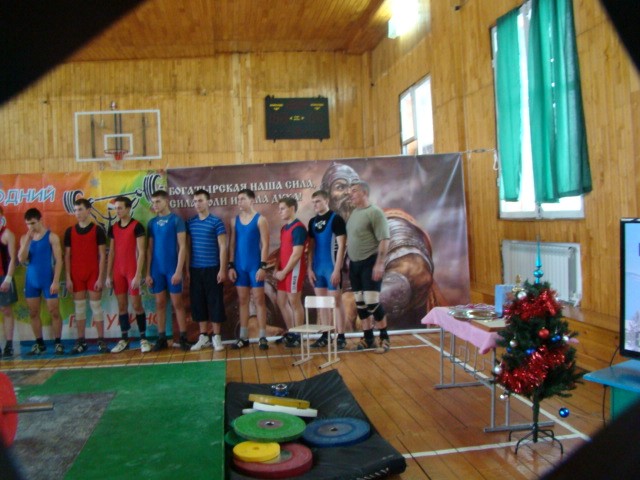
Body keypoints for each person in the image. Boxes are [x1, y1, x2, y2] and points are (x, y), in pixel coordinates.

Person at [346, 181, 391, 353]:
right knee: (360, 304)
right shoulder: (354, 213)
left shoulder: (375, 212)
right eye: (350, 191)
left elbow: (384, 239)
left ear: (364, 192)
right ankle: (368, 338)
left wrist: (379, 264)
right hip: (354, 265)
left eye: (354, 191)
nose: (350, 194)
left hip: (370, 262)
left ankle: (384, 338)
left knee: (372, 302)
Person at [145, 190, 190, 351]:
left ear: (166, 201)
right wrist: (148, 273)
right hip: (157, 269)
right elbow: (149, 249)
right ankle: (161, 338)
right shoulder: (151, 223)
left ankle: (183, 337)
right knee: (159, 303)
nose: (155, 205)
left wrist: (178, 271)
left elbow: (183, 247)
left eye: (158, 201)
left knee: (177, 303)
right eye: (153, 202)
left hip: (172, 268)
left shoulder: (176, 220)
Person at [105, 196, 150, 353]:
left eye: (120, 208)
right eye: (116, 208)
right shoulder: (113, 228)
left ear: (128, 208)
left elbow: (142, 252)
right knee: (122, 305)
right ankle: (124, 339)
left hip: (132, 271)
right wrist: (108, 275)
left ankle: (143, 338)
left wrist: (138, 275)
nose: (117, 211)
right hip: (118, 271)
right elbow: (111, 252)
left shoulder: (137, 226)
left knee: (137, 305)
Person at [64, 198, 108, 354]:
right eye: (75, 210)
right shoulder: (69, 231)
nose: (77, 213)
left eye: (80, 209)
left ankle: (101, 340)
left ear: (88, 210)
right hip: (76, 274)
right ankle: (81, 341)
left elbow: (102, 255)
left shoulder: (98, 230)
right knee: (79, 308)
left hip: (93, 273)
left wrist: (100, 277)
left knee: (96, 306)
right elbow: (67, 256)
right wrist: (68, 278)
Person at [17, 208, 64, 355]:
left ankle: (58, 342)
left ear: (40, 221)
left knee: (54, 312)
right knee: (33, 312)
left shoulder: (52, 237)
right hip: (31, 280)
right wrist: (27, 241)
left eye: (33, 223)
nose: (30, 227)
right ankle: (39, 343)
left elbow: (59, 261)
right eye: (27, 224)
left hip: (47, 279)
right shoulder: (25, 238)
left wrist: (55, 281)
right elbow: (21, 259)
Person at [228, 189, 270, 350]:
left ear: (252, 200)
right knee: (243, 300)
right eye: (238, 199)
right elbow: (232, 244)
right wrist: (231, 265)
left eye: (243, 199)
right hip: (240, 266)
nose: (239, 202)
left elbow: (265, 244)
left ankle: (262, 336)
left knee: (259, 300)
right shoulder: (234, 221)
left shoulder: (261, 220)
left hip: (254, 266)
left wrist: (262, 266)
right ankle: (243, 337)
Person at [186, 189, 227, 352]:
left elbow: (223, 246)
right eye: (195, 201)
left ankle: (216, 337)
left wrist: (222, 269)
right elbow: (187, 247)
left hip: (213, 269)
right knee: (198, 303)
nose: (197, 204)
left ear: (208, 202)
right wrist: (187, 269)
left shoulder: (216, 222)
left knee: (215, 303)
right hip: (195, 269)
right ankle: (203, 337)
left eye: (201, 200)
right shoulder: (190, 223)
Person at [307, 190, 348, 350]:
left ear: (326, 200)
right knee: (322, 303)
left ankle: (341, 336)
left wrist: (337, 270)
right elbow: (310, 247)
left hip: (331, 267)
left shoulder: (336, 219)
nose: (315, 205)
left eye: (318, 201)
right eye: (313, 202)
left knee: (336, 302)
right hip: (318, 269)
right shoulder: (312, 222)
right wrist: (310, 268)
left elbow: (342, 246)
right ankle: (325, 335)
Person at [274, 197, 307, 348]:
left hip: (294, 271)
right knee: (281, 302)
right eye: (279, 209)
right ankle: (291, 332)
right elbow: (282, 251)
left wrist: (284, 271)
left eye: (282, 208)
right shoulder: (284, 228)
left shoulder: (298, 228)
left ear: (292, 208)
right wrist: (277, 268)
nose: (279, 211)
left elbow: (296, 254)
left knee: (294, 302)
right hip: (283, 270)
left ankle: (299, 336)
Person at [0, 206, 18, 358]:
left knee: (6, 310)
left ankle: (9, 345)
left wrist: (8, 279)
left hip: (3, 277)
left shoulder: (7, 234)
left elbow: (13, 258)